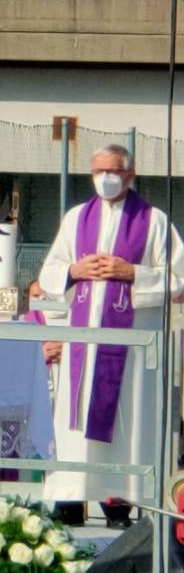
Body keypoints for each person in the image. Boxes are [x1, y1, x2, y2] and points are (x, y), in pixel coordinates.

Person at [39, 144, 184, 527]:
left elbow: (179, 279)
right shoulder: (75, 219)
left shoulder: (153, 221)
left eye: (113, 171)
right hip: (83, 344)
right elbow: (49, 274)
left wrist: (132, 272)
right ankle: (70, 498)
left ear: (130, 175)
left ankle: (119, 500)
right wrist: (76, 269)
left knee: (125, 421)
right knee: (76, 422)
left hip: (130, 350)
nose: (105, 178)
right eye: (98, 170)